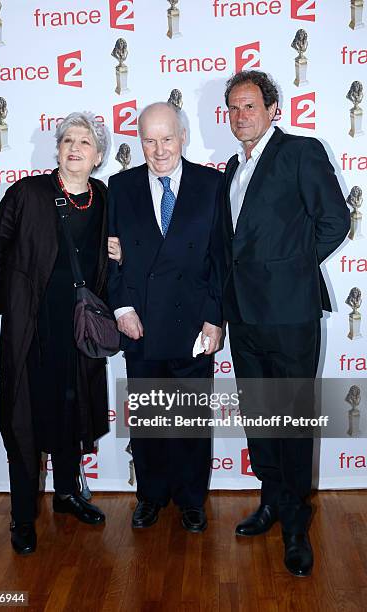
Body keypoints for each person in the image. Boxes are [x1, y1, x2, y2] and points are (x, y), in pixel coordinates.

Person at [222, 70, 350, 576]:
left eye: (249, 106)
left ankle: (297, 524)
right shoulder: (233, 168)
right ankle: (272, 501)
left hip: (290, 313)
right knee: (260, 416)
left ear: (273, 109)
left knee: (293, 421)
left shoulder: (301, 152)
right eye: (232, 108)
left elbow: (335, 220)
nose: (240, 116)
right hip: (244, 316)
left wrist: (292, 273)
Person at [0, 112, 121, 555]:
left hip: (79, 333)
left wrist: (116, 254)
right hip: (33, 334)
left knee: (72, 413)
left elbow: (111, 256)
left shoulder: (103, 197)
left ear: (98, 156)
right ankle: (23, 516)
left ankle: (66, 495)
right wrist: (14, 302)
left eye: (84, 142)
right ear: (57, 150)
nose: (74, 147)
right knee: (26, 422)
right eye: (67, 141)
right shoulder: (27, 193)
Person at [108, 102, 224, 533]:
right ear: (139, 141)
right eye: (149, 140)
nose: (158, 150)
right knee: (148, 420)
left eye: (167, 138)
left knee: (192, 419)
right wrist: (121, 308)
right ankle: (151, 496)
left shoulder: (212, 184)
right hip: (140, 324)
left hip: (193, 323)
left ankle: (192, 501)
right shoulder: (119, 187)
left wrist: (214, 317)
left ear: (183, 137)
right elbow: (110, 259)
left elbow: (219, 258)